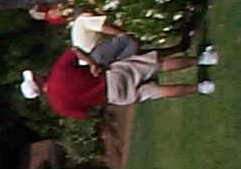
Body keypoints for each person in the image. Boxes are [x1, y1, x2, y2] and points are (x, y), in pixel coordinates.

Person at [19, 45, 218, 119]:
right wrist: (92, 64)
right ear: (37, 79)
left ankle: (201, 87)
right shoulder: (58, 71)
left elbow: (84, 113)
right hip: (110, 76)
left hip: (114, 97)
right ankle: (203, 59)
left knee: (157, 92)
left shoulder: (59, 106)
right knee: (158, 65)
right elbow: (74, 51)